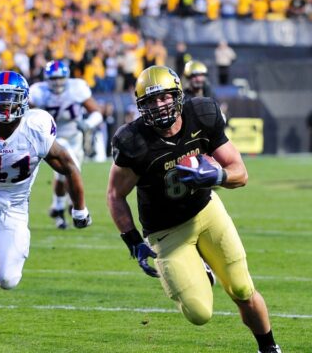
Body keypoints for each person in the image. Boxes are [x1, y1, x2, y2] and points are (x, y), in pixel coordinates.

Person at [106, 65, 281, 353]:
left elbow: (240, 173)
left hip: (206, 211)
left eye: (164, 97)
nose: (159, 105)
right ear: (140, 106)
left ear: (178, 95)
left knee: (242, 289)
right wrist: (133, 241)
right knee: (199, 313)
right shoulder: (133, 141)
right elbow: (115, 195)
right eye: (151, 100)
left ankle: (270, 348)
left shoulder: (201, 114)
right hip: (166, 231)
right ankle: (201, 270)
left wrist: (217, 177)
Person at [0, 71, 92, 335]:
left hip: (16, 206)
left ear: (25, 101)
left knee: (8, 280)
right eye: (0, 98)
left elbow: (70, 167)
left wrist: (79, 209)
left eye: (11, 99)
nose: (6, 105)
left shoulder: (36, 127)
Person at [29, 60, 102, 229]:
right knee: (69, 168)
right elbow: (26, 115)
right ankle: (76, 209)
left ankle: (58, 207)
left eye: (60, 78)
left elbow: (96, 112)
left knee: (66, 173)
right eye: (53, 79)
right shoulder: (38, 92)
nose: (57, 82)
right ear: (46, 79)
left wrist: (88, 124)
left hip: (76, 136)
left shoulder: (77, 88)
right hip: (54, 136)